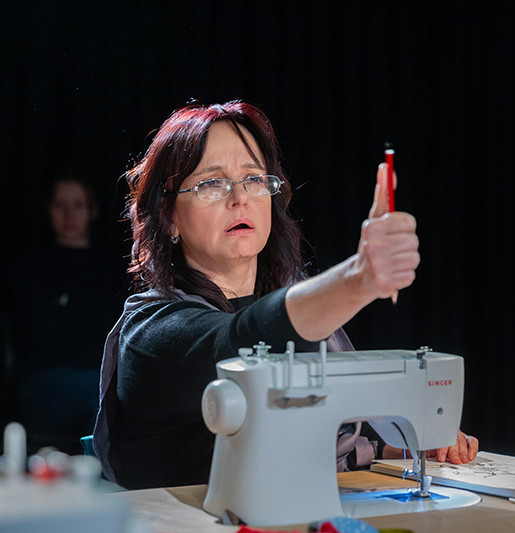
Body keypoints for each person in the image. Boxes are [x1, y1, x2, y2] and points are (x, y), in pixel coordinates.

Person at [93, 101, 478, 489]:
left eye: (254, 179)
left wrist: (403, 446)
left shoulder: (305, 313)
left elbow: (322, 442)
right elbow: (242, 343)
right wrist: (359, 278)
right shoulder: (151, 334)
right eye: (211, 183)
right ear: (168, 216)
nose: (240, 198)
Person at [6, 173, 127, 452]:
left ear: (93, 210)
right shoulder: (32, 267)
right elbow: (41, 333)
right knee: (103, 398)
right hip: (45, 381)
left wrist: (68, 306)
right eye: (60, 205)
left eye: (78, 205)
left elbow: (117, 328)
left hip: (99, 378)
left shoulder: (113, 269)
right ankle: (97, 480)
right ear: (48, 209)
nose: (69, 215)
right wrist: (90, 316)